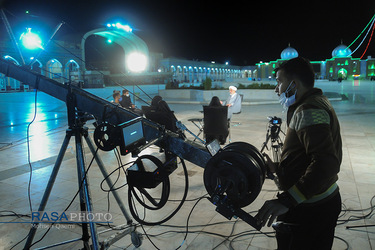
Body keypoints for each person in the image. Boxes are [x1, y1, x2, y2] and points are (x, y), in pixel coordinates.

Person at [255, 57, 342, 250]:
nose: (276, 89)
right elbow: (308, 157)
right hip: (318, 202)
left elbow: (326, 163)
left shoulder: (309, 110)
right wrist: (278, 168)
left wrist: (288, 200)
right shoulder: (316, 101)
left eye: (279, 82)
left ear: (293, 85)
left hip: (313, 209)